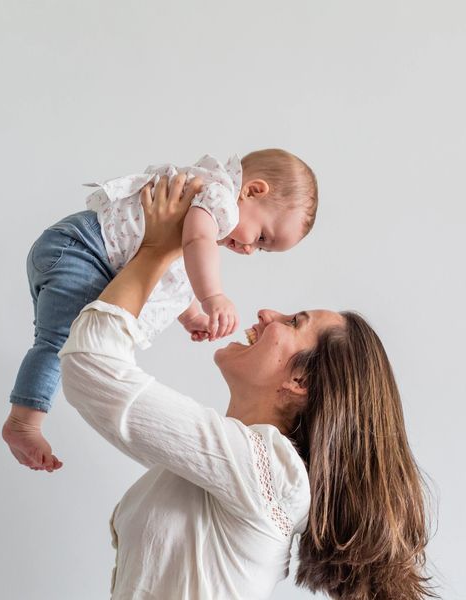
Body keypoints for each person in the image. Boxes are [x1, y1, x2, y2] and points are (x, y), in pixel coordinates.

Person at [58, 176, 436, 599]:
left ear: (300, 381)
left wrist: (157, 249)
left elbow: (92, 366)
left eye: (293, 322)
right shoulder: (231, 469)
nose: (267, 312)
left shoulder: (271, 473)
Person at [2, 149, 318, 472]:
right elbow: (196, 243)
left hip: (72, 249)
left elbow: (173, 271)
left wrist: (191, 316)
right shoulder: (219, 198)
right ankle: (23, 422)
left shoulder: (207, 204)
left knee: (58, 340)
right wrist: (213, 297)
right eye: (262, 237)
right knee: (58, 343)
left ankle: (25, 416)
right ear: (253, 190)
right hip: (84, 251)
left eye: (261, 249)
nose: (250, 249)